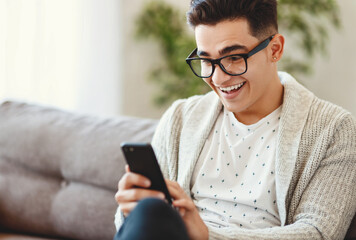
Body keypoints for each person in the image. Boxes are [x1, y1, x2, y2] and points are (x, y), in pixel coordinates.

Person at [114, 0, 356, 239]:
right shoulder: (180, 117)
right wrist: (130, 210)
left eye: (234, 58)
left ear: (275, 50)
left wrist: (207, 235)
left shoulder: (335, 130)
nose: (218, 79)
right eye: (207, 60)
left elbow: (318, 233)